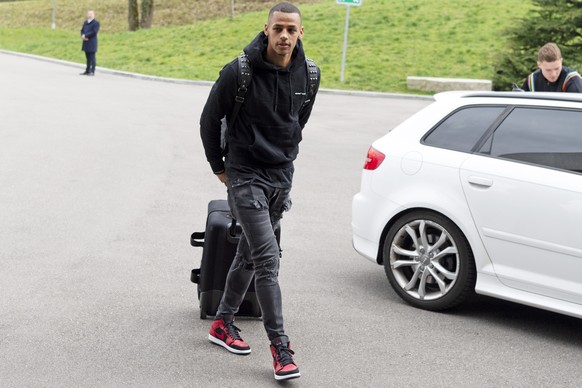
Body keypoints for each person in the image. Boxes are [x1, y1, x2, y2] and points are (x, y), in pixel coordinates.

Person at [199, 2, 319, 382]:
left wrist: (284, 159)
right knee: (268, 259)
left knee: (250, 256)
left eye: (291, 30)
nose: (284, 36)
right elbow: (208, 119)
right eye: (278, 28)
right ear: (266, 29)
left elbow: (297, 122)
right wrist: (220, 167)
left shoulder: (310, 74)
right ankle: (280, 349)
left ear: (301, 33)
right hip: (244, 174)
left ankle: (222, 323)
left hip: (280, 177)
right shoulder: (240, 70)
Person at [80, 10, 100, 76]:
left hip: (92, 42)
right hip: (86, 41)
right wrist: (82, 35)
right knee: (87, 57)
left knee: (92, 57)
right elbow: (82, 30)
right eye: (89, 14)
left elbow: (94, 32)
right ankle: (87, 70)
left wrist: (86, 35)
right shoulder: (85, 22)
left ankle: (92, 71)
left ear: (94, 14)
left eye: (91, 14)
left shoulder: (96, 23)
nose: (90, 15)